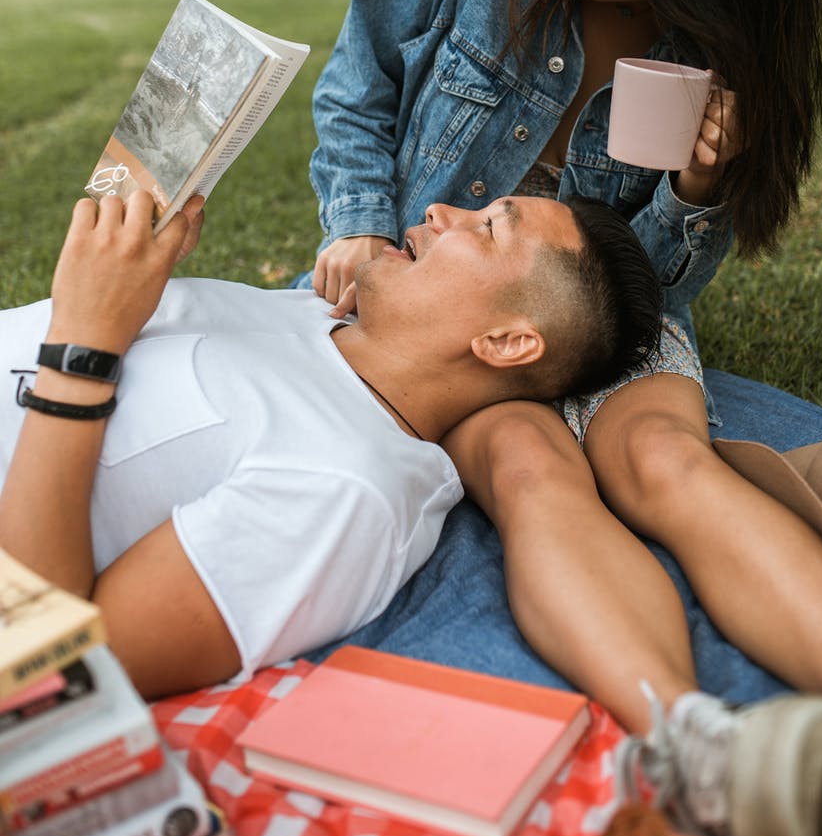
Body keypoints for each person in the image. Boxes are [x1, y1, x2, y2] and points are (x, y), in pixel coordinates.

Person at [299, 0, 822, 836]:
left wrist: (698, 193)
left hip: (613, 312)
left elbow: (648, 291)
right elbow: (356, 79)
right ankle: (687, 737)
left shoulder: (709, 51)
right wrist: (357, 221)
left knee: (668, 464)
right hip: (465, 305)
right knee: (525, 466)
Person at [0, 186, 661, 704]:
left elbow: (57, 665)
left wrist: (82, 347)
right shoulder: (314, 318)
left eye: (487, 227)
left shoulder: (348, 487)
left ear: (506, 342)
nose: (440, 209)